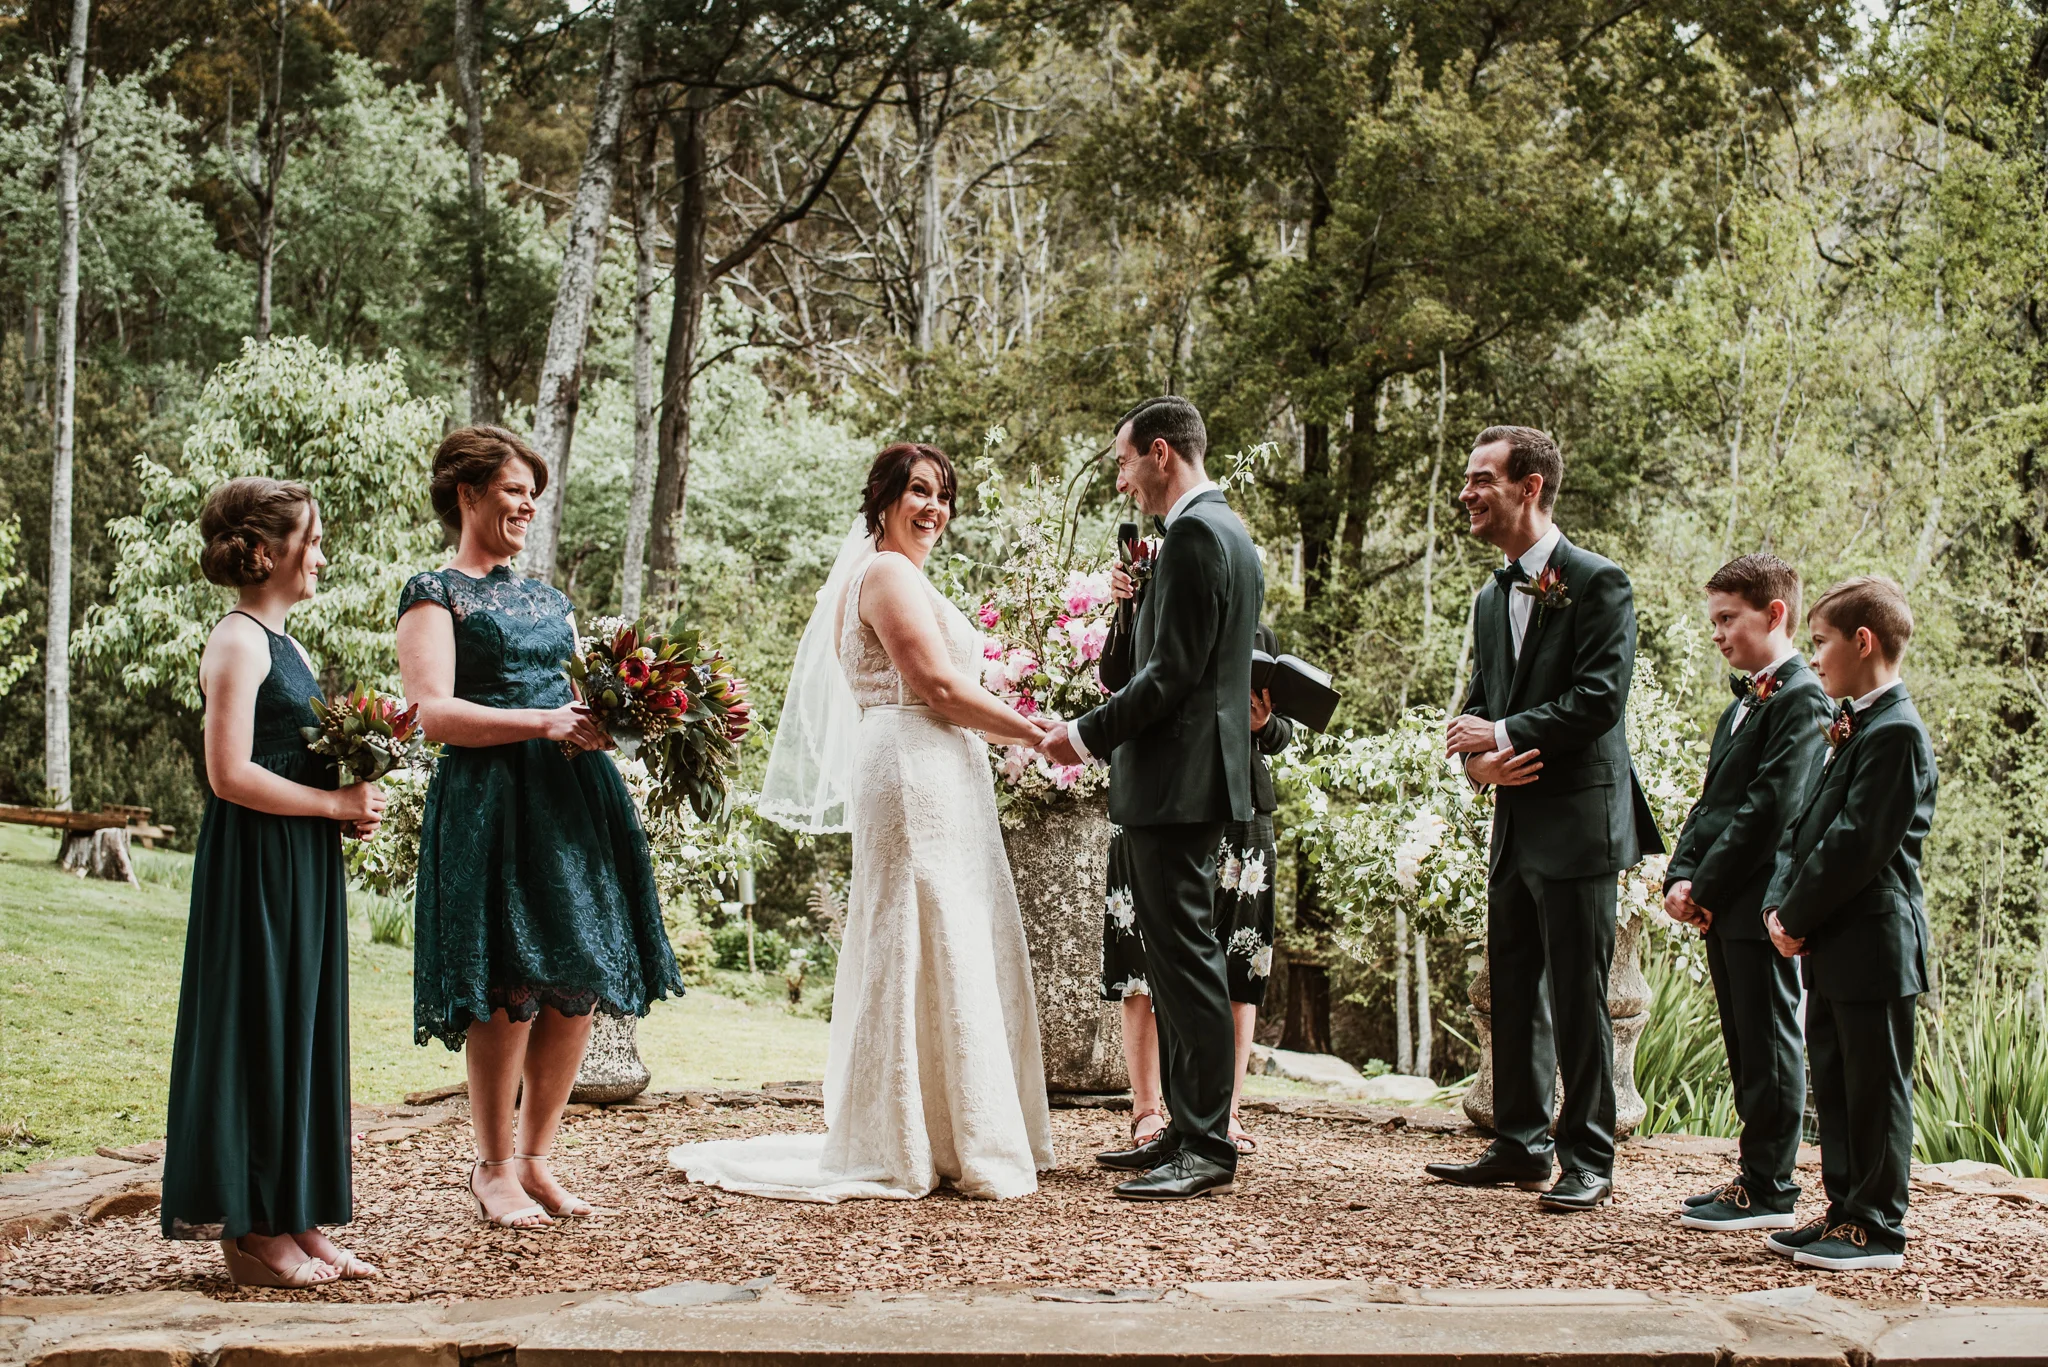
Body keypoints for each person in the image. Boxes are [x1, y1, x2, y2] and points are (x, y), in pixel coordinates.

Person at [671, 443, 1054, 1201]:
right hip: (913, 760)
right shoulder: (883, 573)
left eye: (943, 495)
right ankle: (915, 1136)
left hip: (934, 762)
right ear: (881, 500)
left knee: (940, 931)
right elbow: (939, 685)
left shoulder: (901, 576)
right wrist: (1038, 733)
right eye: (918, 491)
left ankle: (944, 1128)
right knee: (920, 929)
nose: (933, 508)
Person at [397, 426, 682, 1229]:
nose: (527, 503)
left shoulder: (548, 599)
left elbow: (568, 695)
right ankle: (490, 1168)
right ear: (467, 493)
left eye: (533, 492)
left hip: (569, 802)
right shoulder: (434, 593)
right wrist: (543, 723)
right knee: (506, 986)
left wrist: (604, 721)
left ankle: (536, 1158)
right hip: (491, 801)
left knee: (578, 978)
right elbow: (432, 715)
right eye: (514, 488)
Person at [1424, 424, 1662, 1213]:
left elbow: (1600, 699)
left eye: (1480, 479)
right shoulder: (1492, 596)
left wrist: (1502, 734)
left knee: (1578, 989)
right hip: (1515, 820)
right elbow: (1479, 709)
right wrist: (1478, 760)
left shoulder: (1599, 582)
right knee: (1516, 983)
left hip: (1581, 823)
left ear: (1529, 487)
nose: (1466, 493)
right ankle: (1518, 1142)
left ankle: (1588, 1154)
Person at [161, 477, 387, 1287]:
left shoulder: (288, 645)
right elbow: (228, 775)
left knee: (300, 1025)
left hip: (300, 862)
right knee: (259, 1022)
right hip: (253, 864)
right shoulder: (238, 640)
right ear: (267, 550)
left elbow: (290, 758)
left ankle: (298, 1215)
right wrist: (333, 801)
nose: (321, 554)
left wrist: (347, 807)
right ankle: (254, 1229)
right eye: (312, 539)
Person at [1039, 395, 1264, 1202]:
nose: (1124, 478)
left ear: (1161, 453)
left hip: (1178, 781)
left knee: (1190, 965)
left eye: (1126, 460)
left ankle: (1206, 1146)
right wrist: (1131, 597)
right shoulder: (1210, 534)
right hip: (1177, 781)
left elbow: (1172, 679)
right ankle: (1182, 1125)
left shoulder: (1202, 534)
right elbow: (1140, 662)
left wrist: (1083, 735)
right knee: (1173, 966)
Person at [1761, 576, 1936, 1272]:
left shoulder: (1897, 733)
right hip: (1836, 939)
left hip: (1875, 942)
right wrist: (1781, 907)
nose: (1817, 656)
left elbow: (1858, 844)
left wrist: (1795, 914)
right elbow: (1807, 827)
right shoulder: (1856, 723)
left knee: (1875, 1085)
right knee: (1834, 1080)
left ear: (1864, 641)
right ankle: (1844, 1210)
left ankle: (1878, 1226)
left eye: (1823, 641)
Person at [1663, 554, 1831, 1232]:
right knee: (1743, 1040)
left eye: (1728, 618)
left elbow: (1770, 807)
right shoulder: (1748, 698)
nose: (1718, 632)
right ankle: (1754, 1174)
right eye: (1715, 620)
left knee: (1768, 1040)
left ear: (1776, 613)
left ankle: (1773, 1185)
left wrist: (1705, 884)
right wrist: (1680, 876)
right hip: (1723, 898)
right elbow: (1712, 803)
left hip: (1762, 900)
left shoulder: (1801, 698)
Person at [1098, 616, 1293, 1156]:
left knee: (1237, 961)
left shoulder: (1259, 638)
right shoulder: (1144, 620)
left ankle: (1223, 1113)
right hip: (1155, 803)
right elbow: (1114, 681)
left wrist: (1261, 724)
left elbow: (1281, 734)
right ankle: (1147, 1110)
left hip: (1239, 812)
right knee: (1141, 956)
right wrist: (1124, 610)